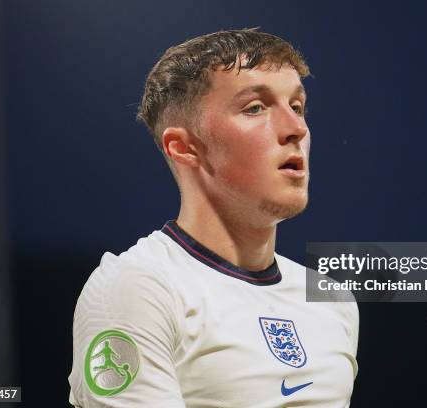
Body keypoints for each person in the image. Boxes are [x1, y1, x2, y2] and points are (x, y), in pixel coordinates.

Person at [68, 29, 359, 407]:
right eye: (255, 108)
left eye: (298, 107)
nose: (296, 129)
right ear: (184, 148)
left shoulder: (331, 299)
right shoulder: (138, 289)